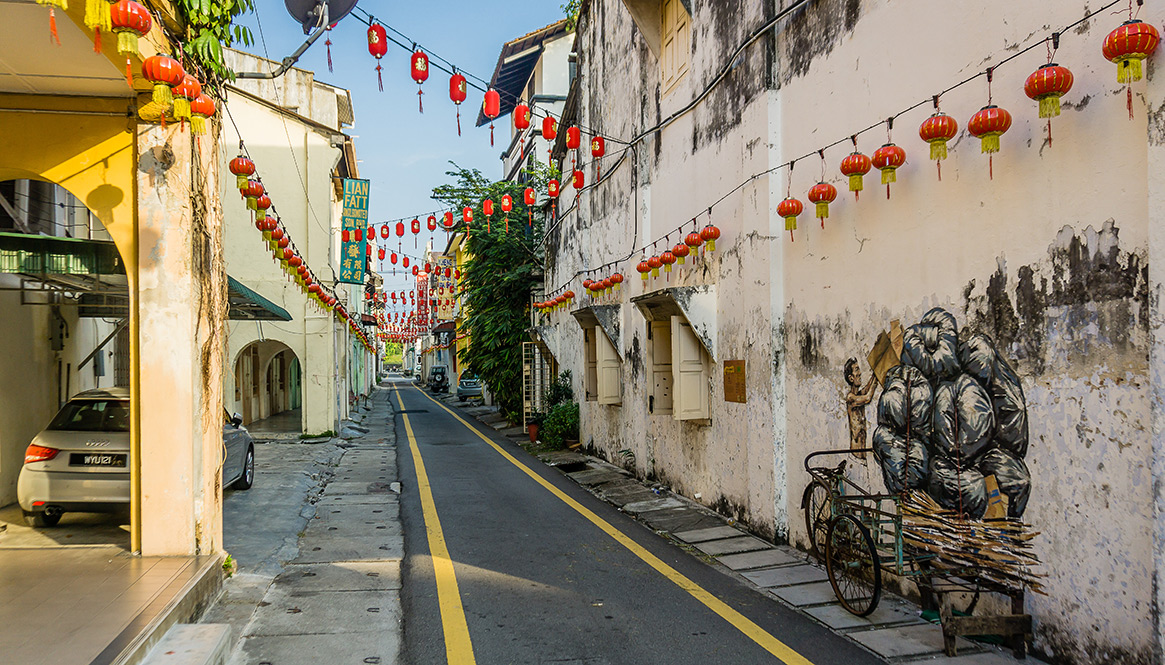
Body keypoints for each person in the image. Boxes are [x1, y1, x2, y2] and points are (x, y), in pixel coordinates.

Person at [844, 357, 877, 459]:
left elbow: (869, 387)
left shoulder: (858, 394)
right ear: (851, 378)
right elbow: (867, 398)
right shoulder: (851, 398)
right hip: (856, 456)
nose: (860, 374)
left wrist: (876, 372)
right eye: (857, 370)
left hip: (862, 455)